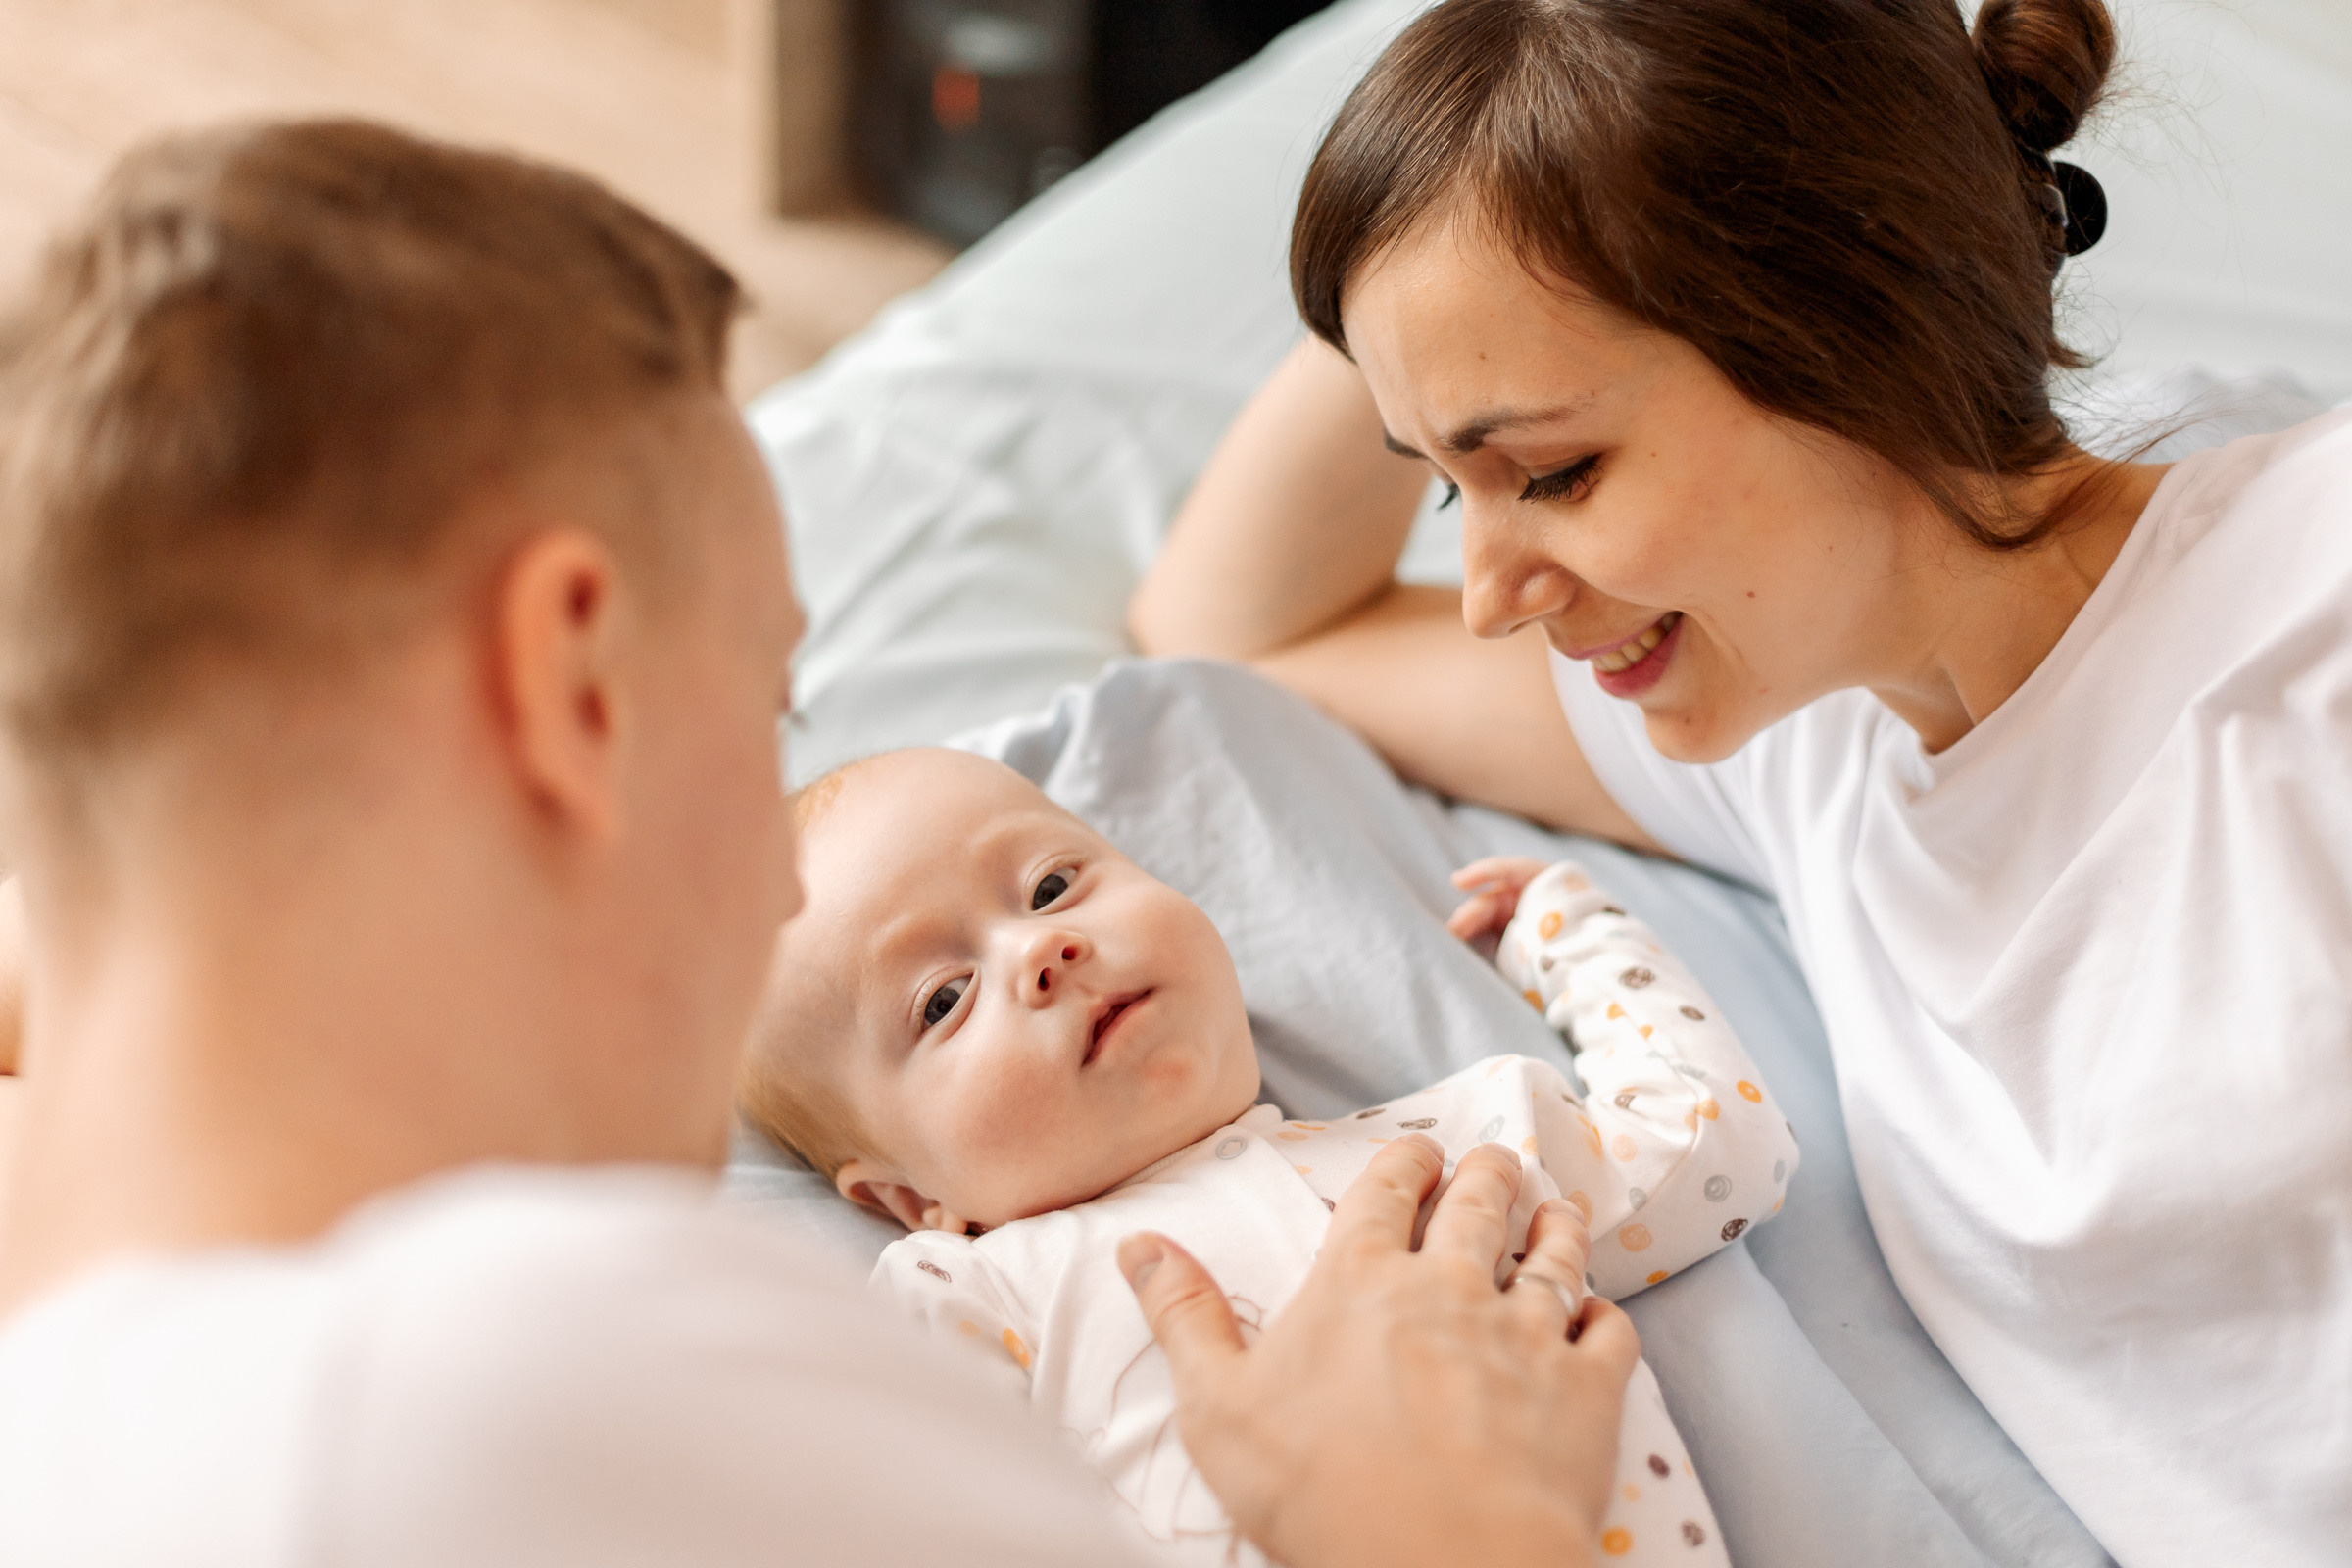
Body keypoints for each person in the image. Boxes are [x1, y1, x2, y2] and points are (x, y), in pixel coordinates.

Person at [0, 119, 1643, 1567]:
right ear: (569, 683)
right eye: (762, 703)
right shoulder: (535, 1390)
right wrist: (1445, 1530)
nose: (780, 875)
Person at [1129, 1, 2352, 1564]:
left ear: (1855, 324)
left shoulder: (2307, 609)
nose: (1491, 586)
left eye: (1555, 473)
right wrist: (1459, 184)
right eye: (1444, 482)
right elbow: (1235, 629)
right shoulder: (1807, 731)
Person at [740, 745, 1802, 1562]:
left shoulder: (1435, 1163)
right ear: (912, 1197)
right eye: (941, 999)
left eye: (1055, 885)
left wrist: (1573, 935)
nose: (1039, 948)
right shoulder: (973, 1296)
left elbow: (1717, 1142)